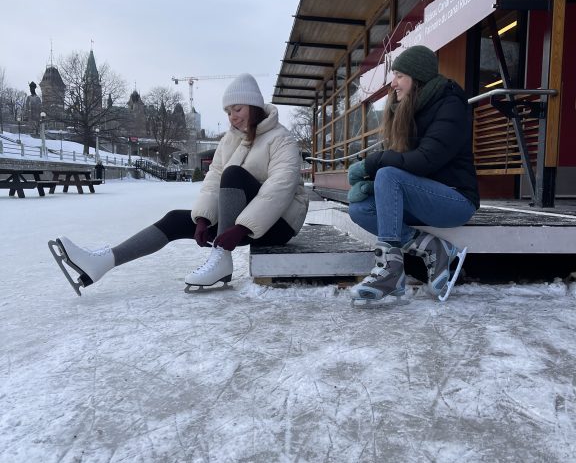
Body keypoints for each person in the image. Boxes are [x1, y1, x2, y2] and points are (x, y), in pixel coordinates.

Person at [49, 74, 309, 295]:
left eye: (237, 110)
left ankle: (221, 259)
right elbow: (213, 180)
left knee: (234, 174)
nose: (232, 117)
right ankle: (103, 262)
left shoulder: (280, 139)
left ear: (253, 106)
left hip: (280, 223)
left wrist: (241, 228)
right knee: (176, 219)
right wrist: (203, 219)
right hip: (244, 221)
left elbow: (280, 187)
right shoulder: (229, 141)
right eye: (228, 112)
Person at [347, 45, 479, 305]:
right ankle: (434, 248)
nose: (393, 83)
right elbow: (402, 162)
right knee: (360, 209)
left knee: (387, 174)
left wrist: (371, 164)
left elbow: (426, 160)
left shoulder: (450, 104)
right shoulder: (410, 107)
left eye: (399, 76)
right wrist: (372, 185)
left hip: (455, 199)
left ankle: (390, 269)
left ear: (416, 77)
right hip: (423, 196)